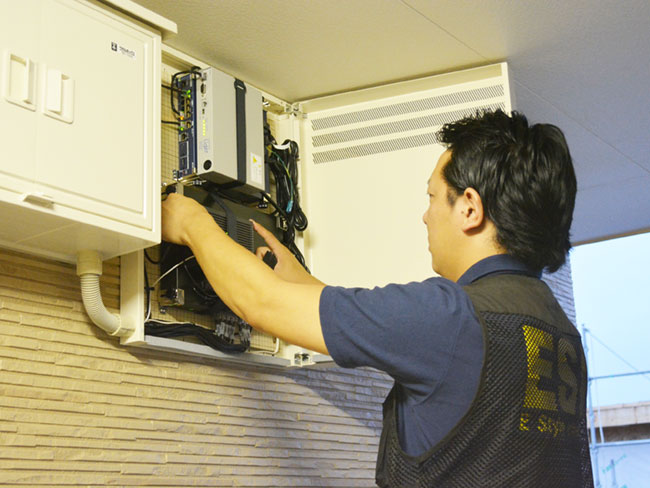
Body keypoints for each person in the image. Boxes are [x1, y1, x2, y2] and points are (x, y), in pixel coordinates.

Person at [161, 109, 594, 487]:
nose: (426, 216)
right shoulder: (559, 332)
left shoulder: (451, 318)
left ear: (469, 208)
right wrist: (300, 283)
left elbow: (260, 303)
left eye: (432, 197)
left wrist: (191, 222)